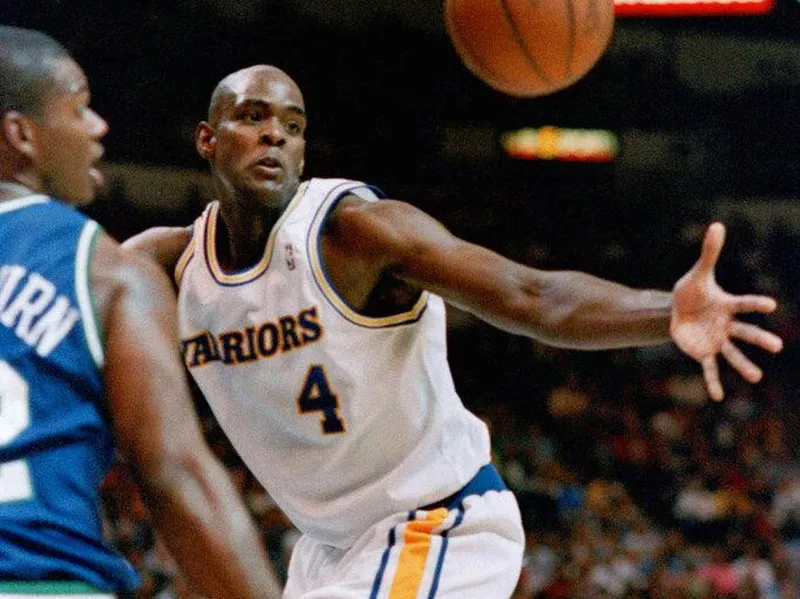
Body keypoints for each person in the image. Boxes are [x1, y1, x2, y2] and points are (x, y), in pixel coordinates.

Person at [123, 64, 783, 599]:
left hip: (435, 526)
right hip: (326, 550)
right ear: (207, 140)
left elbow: (533, 294)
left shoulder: (355, 232)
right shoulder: (167, 265)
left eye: (292, 126)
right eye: (251, 117)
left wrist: (665, 310)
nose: (274, 136)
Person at [0, 28, 282, 599]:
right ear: (21, 136)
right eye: (80, 109)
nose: (98, 126)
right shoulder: (104, 270)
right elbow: (174, 476)